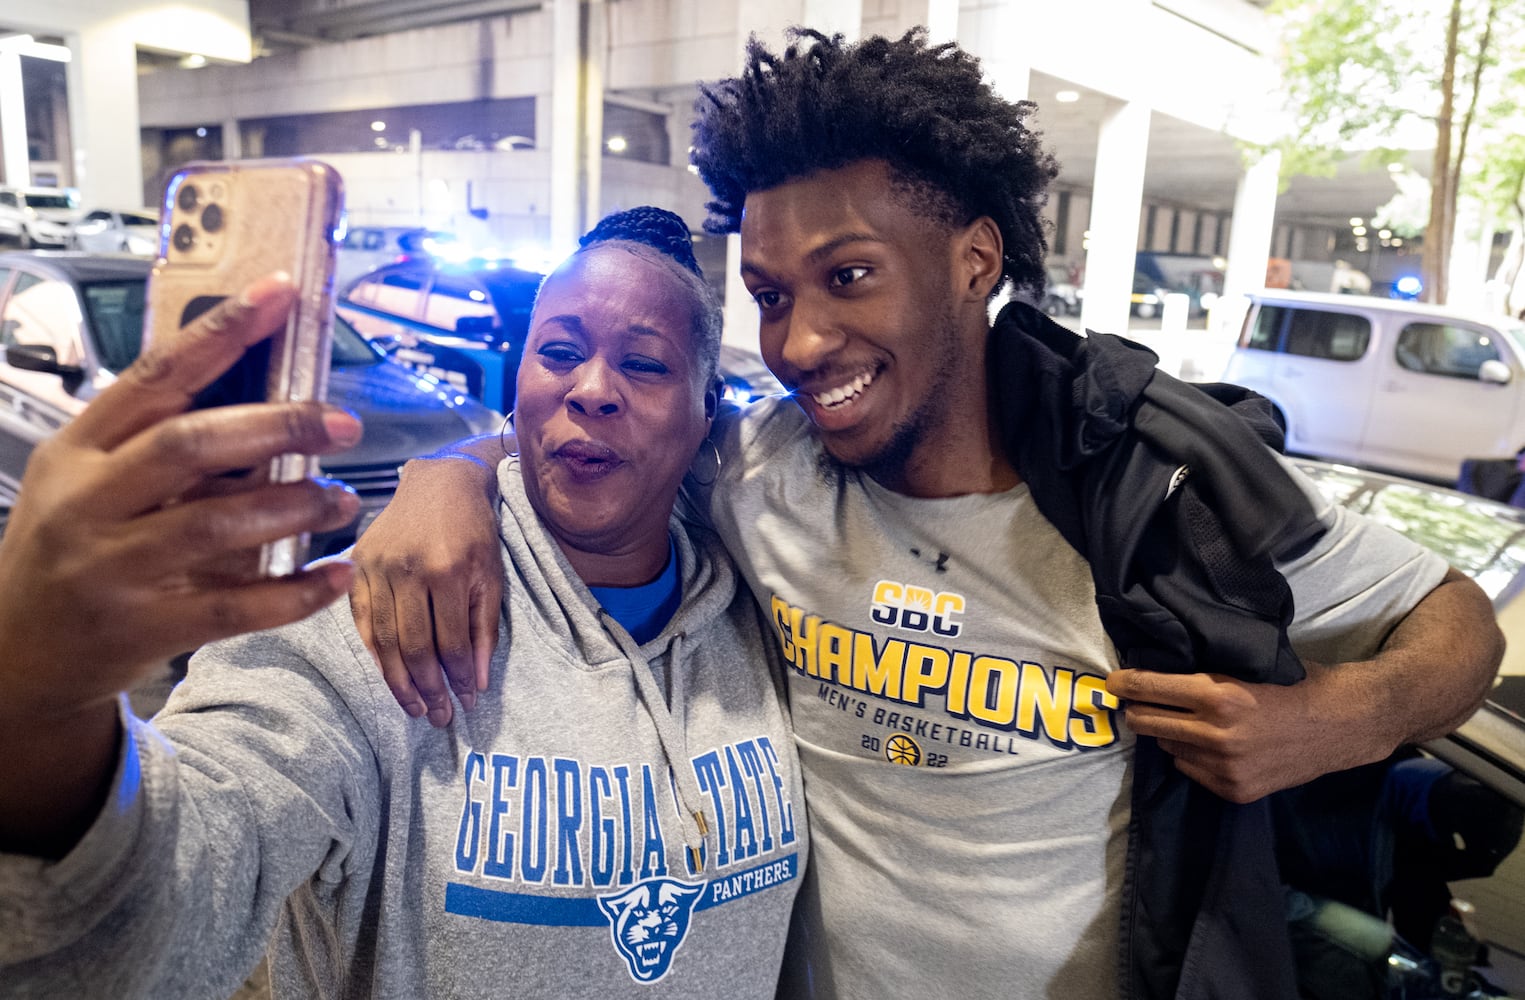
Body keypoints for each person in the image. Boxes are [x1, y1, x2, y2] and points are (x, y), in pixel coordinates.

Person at [345, 30, 1503, 1000]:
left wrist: (1336, 718)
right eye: (769, 295)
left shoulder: (1154, 490)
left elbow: (1458, 624)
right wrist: (444, 474)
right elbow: (598, 428)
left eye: (848, 277)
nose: (797, 343)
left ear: (972, 260)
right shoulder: (757, 475)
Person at [0, 208, 806, 997]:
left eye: (645, 364)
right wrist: (40, 705)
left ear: (706, 415)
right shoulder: (378, 614)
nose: (591, 389)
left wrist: (450, 465)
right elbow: (165, 903)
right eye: (558, 352)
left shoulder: (762, 610)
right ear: (516, 387)